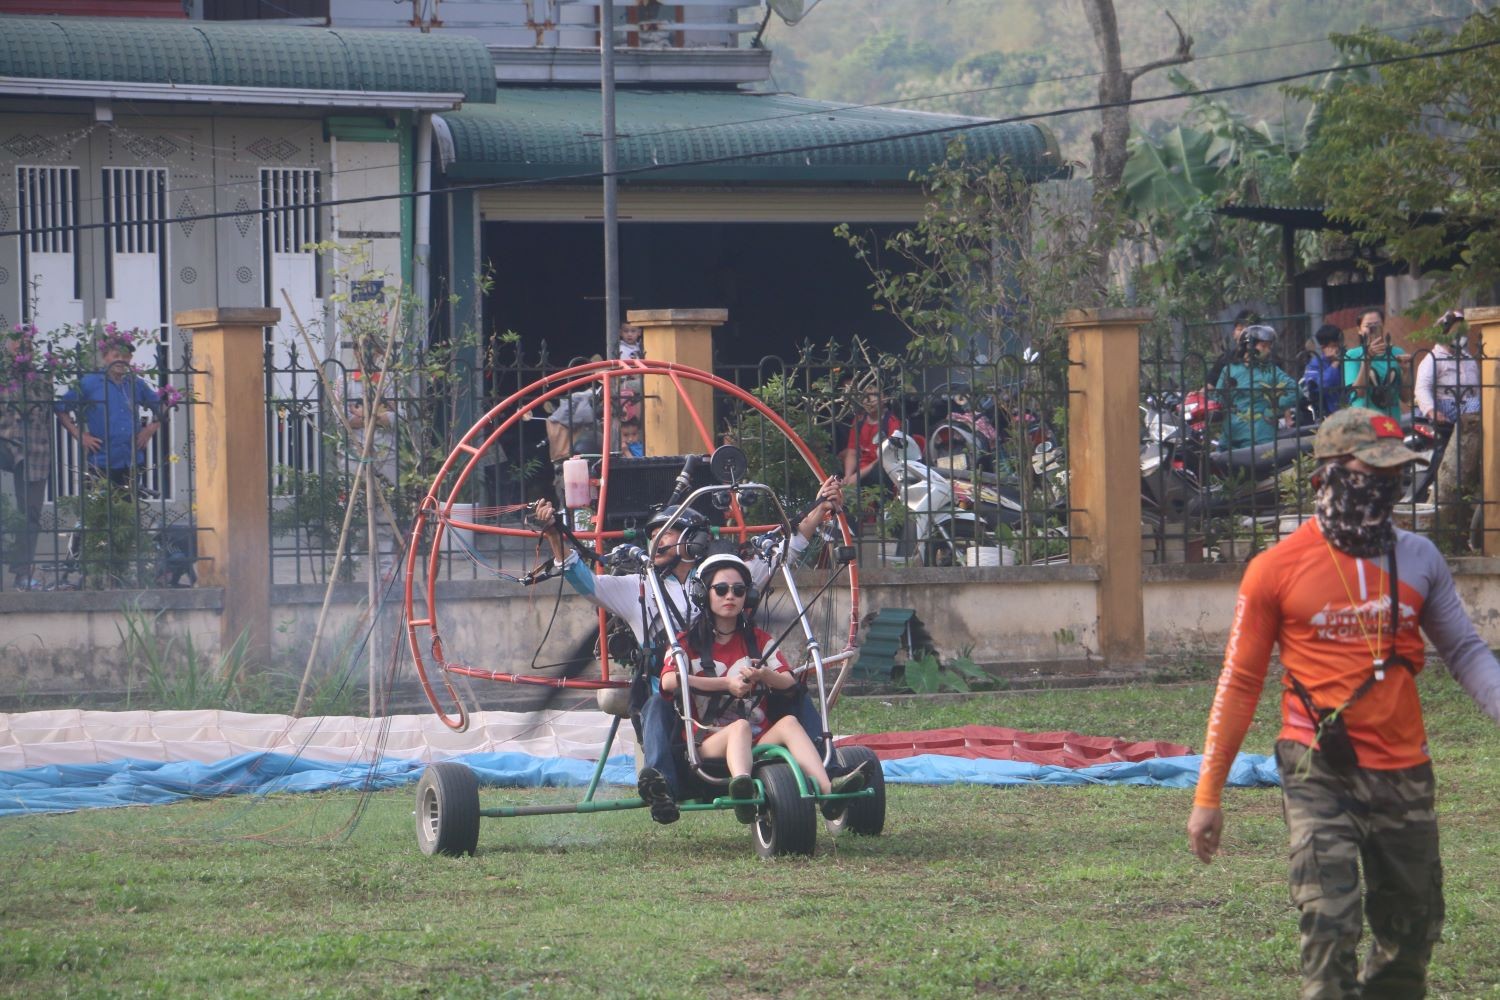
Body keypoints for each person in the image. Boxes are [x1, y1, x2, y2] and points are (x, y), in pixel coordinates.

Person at [1186, 407, 1500, 999]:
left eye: (1395, 472)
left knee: (1411, 935)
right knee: (1329, 923)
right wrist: (1208, 796)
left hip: (1405, 769)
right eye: (1371, 470)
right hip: (1316, 766)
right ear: (1326, 476)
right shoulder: (1273, 570)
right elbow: (1240, 683)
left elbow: (1464, 651)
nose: (1386, 485)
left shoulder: (1419, 559)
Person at [534, 473, 846, 823]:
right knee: (655, 704)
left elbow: (783, 550)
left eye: (664, 533)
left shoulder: (722, 579)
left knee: (794, 694)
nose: (656, 541)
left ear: (691, 538)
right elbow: (585, 582)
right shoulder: (637, 586)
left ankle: (828, 768)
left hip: (735, 686)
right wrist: (553, 536)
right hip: (671, 690)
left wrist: (820, 507)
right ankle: (662, 785)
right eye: (652, 535)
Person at [664, 553, 867, 823]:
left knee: (790, 723)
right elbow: (668, 681)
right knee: (740, 728)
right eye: (721, 589)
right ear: (704, 594)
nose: (730, 597)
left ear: (747, 597)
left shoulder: (759, 640)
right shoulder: (685, 643)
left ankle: (829, 794)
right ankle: (743, 789)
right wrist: (725, 684)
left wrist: (765, 675)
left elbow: (789, 682)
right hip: (707, 741)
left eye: (738, 591)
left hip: (758, 738)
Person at [54, 326, 161, 488]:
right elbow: (60, 407)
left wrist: (151, 428)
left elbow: (163, 405)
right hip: (101, 462)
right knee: (101, 512)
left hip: (132, 461)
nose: (121, 360)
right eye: (116, 355)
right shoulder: (89, 383)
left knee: (129, 510)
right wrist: (79, 435)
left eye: (125, 356)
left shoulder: (136, 384)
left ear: (130, 358)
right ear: (105, 358)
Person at [1413, 309, 1482, 532]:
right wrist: (1432, 411)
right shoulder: (1433, 359)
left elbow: (1478, 389)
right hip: (1445, 415)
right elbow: (1422, 388)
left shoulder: (1469, 358)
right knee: (1442, 462)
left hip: (1471, 414)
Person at [0, 323, 53, 590]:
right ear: (8, 349)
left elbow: (46, 418)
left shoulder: (41, 381)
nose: (24, 351)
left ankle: (22, 571)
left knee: (30, 513)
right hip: (6, 443)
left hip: (35, 451)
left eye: (28, 347)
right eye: (18, 345)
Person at [1215, 324, 1299, 450]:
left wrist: (1274, 406)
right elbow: (1217, 398)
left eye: (1269, 347)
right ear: (1248, 346)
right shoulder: (1229, 370)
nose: (1268, 350)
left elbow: (1296, 390)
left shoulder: (1271, 370)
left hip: (1260, 433)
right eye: (1263, 346)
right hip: (1231, 434)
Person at [1343, 308, 1407, 419]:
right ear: (1359, 329)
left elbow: (1407, 398)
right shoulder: (1353, 355)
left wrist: (1406, 371)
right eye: (1368, 326)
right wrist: (1367, 359)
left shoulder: (1397, 353)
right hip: (1364, 422)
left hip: (1391, 422)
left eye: (1377, 325)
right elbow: (1358, 392)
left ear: (1383, 326)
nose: (1373, 329)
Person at [840, 384, 901, 488]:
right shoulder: (858, 420)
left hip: (879, 467)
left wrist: (858, 476)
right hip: (860, 466)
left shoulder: (892, 422)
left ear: (885, 399)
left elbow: (886, 457)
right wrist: (848, 476)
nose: (869, 400)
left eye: (874, 395)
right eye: (864, 396)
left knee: (877, 474)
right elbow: (852, 451)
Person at [1300, 323, 1346, 420]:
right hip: (1327, 413)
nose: (1338, 349)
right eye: (1334, 346)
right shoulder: (1315, 364)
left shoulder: (1348, 358)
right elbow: (1320, 385)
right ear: (1323, 347)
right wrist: (1334, 364)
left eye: (1339, 345)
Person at [1206, 309, 1260, 389]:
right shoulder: (1225, 360)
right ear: (1233, 333)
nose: (1244, 333)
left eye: (1249, 330)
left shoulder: (1268, 360)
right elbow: (1209, 387)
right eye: (1240, 329)